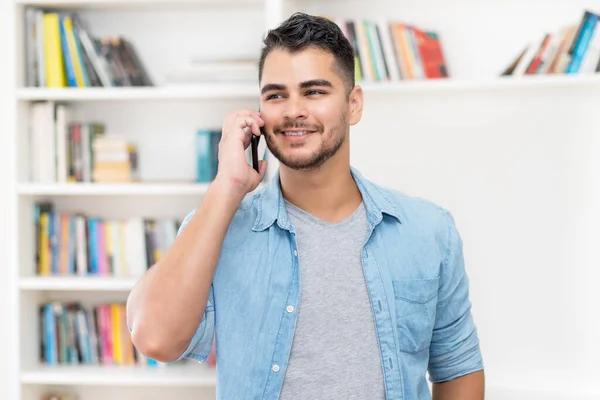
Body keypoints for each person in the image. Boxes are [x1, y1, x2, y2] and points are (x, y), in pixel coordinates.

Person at [126, 12, 485, 400]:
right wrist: (226, 186)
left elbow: (458, 369)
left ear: (354, 104)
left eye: (314, 91)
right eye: (276, 94)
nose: (293, 109)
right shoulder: (219, 227)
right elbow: (155, 339)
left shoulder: (429, 230)